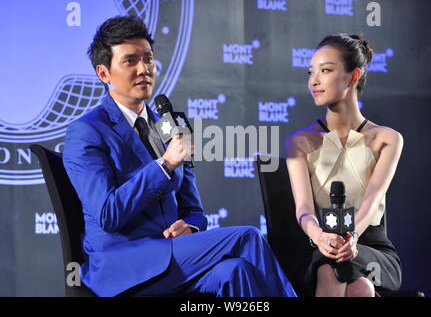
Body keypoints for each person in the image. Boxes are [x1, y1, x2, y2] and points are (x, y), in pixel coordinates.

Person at [62, 15, 296, 297]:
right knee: (247, 238)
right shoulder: (86, 131)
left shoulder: (168, 126)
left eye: (148, 59)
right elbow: (108, 215)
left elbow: (195, 211)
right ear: (104, 73)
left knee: (235, 272)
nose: (144, 69)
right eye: (130, 61)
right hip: (124, 266)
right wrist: (166, 164)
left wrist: (192, 228)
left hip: (173, 258)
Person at [285, 34, 402, 297]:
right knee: (350, 280)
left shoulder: (388, 139)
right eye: (310, 72)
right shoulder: (299, 142)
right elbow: (303, 209)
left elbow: (372, 200)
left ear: (353, 76)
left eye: (325, 70)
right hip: (323, 244)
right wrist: (320, 237)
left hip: (373, 249)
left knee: (344, 269)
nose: (313, 81)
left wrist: (353, 238)